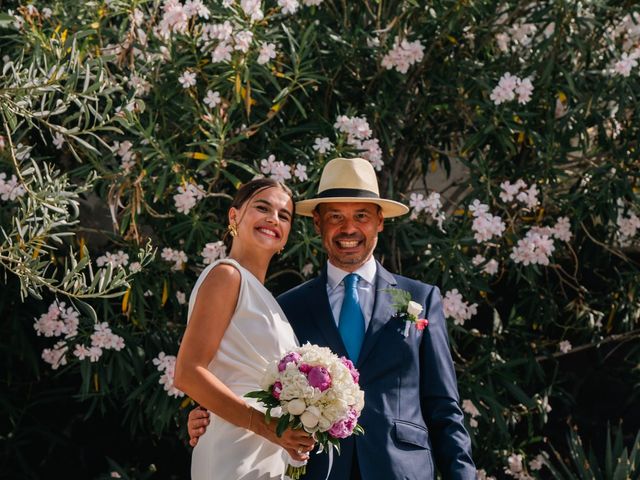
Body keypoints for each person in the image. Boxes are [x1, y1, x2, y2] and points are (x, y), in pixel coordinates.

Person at [188, 158, 476, 480]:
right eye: (336, 216)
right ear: (317, 223)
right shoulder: (288, 307)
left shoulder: (419, 299)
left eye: (361, 216)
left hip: (401, 469)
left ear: (380, 221)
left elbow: (444, 408)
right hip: (317, 470)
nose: (349, 228)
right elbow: (256, 379)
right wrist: (206, 412)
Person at [174, 178, 315, 480]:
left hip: (266, 455)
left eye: (283, 215)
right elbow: (188, 372)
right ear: (234, 216)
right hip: (233, 452)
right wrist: (270, 428)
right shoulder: (227, 276)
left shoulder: (266, 298)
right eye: (262, 208)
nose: (272, 219)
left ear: (287, 235)